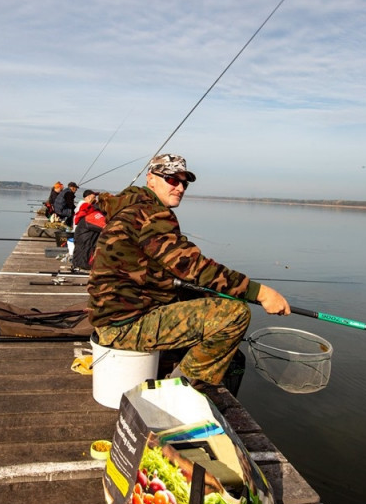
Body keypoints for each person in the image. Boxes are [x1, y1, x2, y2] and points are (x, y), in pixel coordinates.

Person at [87, 153, 290, 388]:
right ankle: (180, 388)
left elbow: (105, 202)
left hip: (112, 317)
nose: (180, 187)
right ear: (151, 178)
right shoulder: (152, 214)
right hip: (123, 326)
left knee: (208, 295)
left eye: (185, 182)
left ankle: (179, 367)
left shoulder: (129, 204)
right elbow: (193, 267)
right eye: (172, 180)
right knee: (235, 314)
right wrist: (261, 293)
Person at [73, 190, 106, 270]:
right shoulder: (92, 215)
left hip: (83, 257)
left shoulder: (93, 212)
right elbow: (107, 227)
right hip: (85, 261)